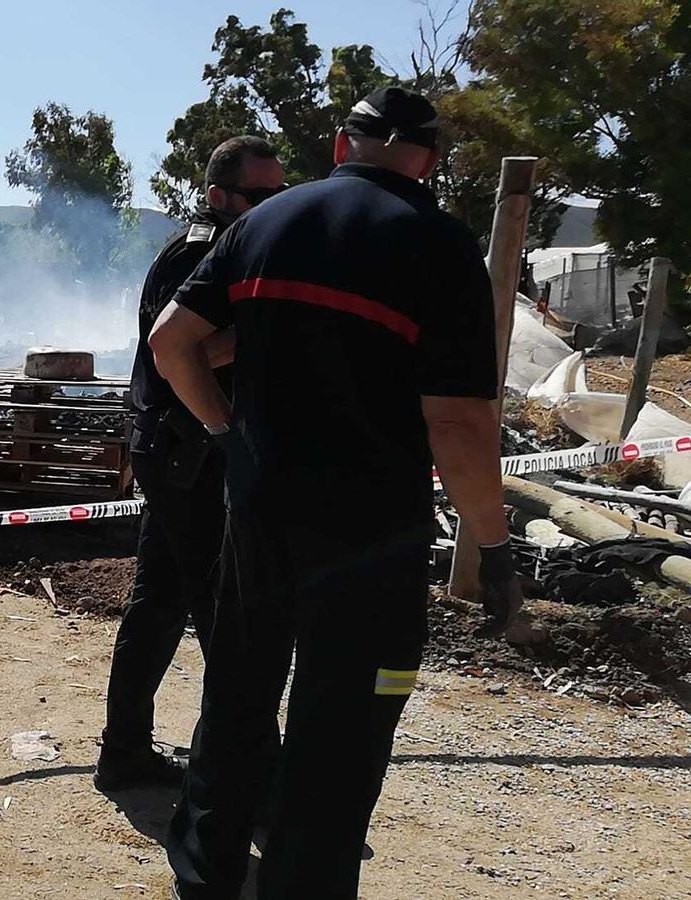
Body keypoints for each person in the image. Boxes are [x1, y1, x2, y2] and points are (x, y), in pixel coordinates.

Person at [148, 86, 523, 899]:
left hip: (257, 511)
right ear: (430, 157)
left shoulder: (264, 223)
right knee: (343, 729)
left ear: (339, 143)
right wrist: (493, 544)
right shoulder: (440, 247)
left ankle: (204, 878)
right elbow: (458, 424)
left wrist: (225, 433)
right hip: (370, 535)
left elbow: (171, 343)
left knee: (239, 694)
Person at [95, 136, 286, 792]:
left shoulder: (227, 248)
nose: (272, 207)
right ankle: (248, 777)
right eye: (260, 196)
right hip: (190, 453)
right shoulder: (200, 254)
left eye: (279, 195)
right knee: (230, 614)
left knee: (159, 604)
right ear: (217, 195)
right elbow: (181, 350)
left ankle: (124, 753)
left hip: (185, 451)